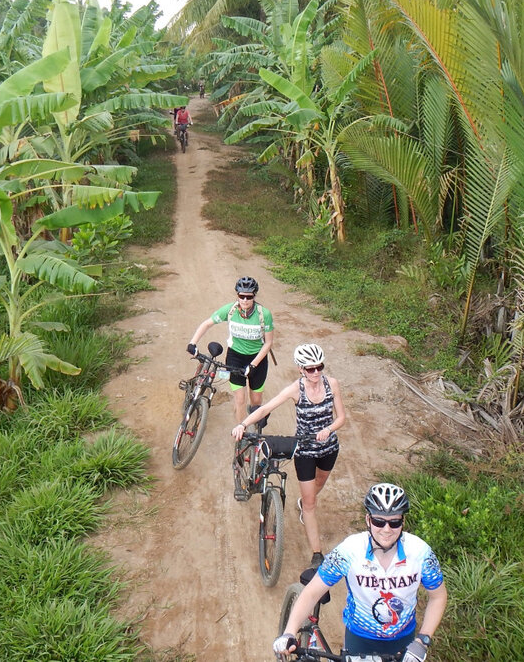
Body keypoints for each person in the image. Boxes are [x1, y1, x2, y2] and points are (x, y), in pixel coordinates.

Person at [274, 483, 447, 661]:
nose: (386, 529)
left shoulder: (421, 553)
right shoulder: (350, 551)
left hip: (403, 639)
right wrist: (289, 632)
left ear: (403, 522)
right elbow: (311, 593)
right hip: (360, 639)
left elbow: (438, 597)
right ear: (368, 520)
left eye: (394, 522)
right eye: (379, 521)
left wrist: (422, 640)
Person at [233, 343, 346, 567]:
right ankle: (316, 554)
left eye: (319, 367)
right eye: (310, 368)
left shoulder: (332, 384)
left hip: (329, 448)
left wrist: (328, 430)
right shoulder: (295, 389)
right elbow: (266, 408)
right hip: (304, 450)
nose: (316, 372)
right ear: (300, 369)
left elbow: (341, 417)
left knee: (320, 483)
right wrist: (243, 424)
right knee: (310, 503)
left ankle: (304, 503)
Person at [187, 276, 274, 440]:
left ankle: (254, 421)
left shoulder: (264, 314)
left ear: (254, 296)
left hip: (258, 360)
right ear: (237, 295)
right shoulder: (230, 310)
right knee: (240, 400)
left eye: (249, 297)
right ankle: (243, 434)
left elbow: (268, 344)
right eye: (242, 296)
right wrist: (192, 343)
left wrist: (254, 365)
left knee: (255, 402)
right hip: (235, 357)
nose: (245, 300)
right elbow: (207, 323)